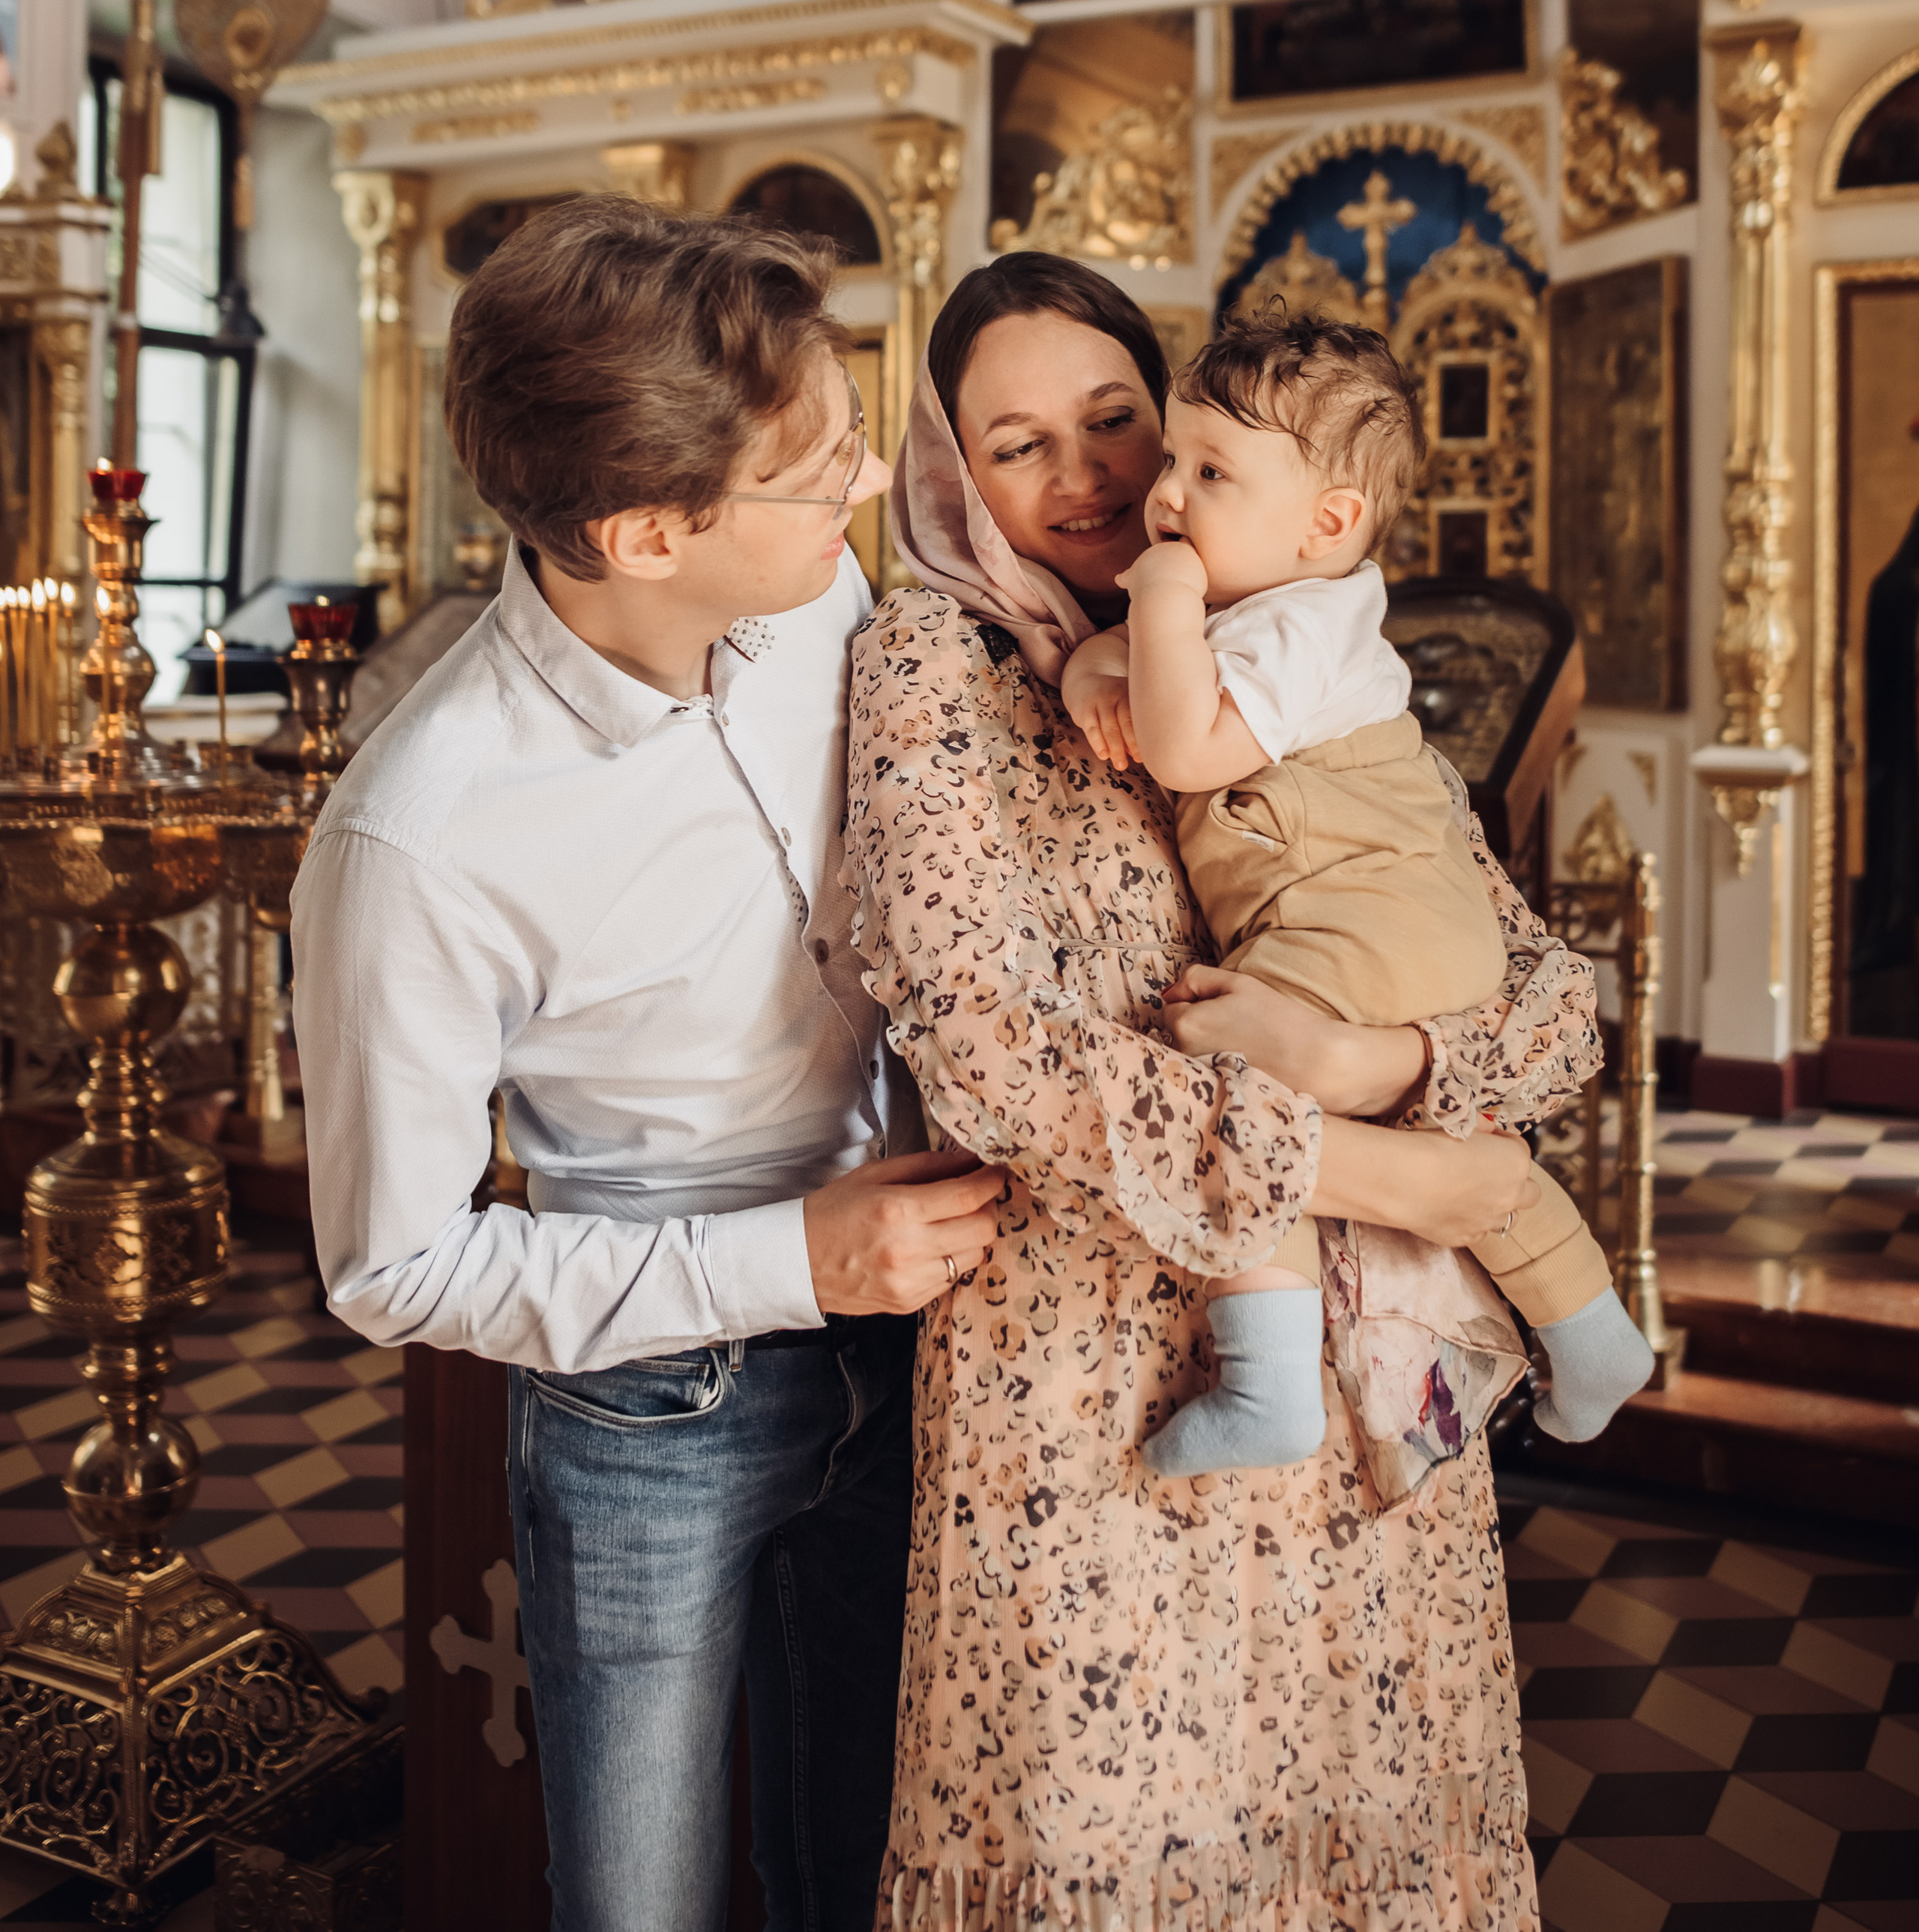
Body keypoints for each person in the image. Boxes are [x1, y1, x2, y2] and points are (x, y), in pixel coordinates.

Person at [846, 250, 1600, 1931]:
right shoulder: (932, 669)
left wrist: (1383, 1062)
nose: (1092, 477)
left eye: (1117, 420)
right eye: (1017, 443)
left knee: (1360, 1848)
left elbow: (1546, 1004)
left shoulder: (1299, 657)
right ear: (952, 471)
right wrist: (1379, 1164)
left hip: (1355, 1400)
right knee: (1109, 1851)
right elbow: (991, 1050)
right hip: (1097, 1399)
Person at [292, 199, 1004, 1932]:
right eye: (814, 463)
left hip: (920, 1334)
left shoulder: (824, 594)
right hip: (649, 1410)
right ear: (641, 530)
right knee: (642, 1900)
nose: (854, 492)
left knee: (871, 1860)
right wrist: (791, 1259)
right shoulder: (421, 837)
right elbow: (391, 1264)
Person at [1060, 310, 1651, 1478]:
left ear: (1329, 524)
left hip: (1365, 913)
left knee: (1227, 1084)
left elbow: (1182, 748)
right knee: (1426, 1130)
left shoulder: (1305, 624)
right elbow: (1148, 689)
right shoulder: (1266, 609)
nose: (1167, 497)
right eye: (1174, 462)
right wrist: (1102, 659)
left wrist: (1156, 604)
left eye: (1212, 473)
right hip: (1390, 920)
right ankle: (1594, 1332)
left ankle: (1269, 1379)